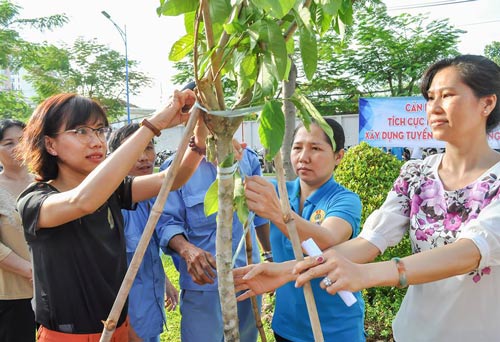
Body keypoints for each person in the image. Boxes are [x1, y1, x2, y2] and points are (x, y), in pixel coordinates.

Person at [234, 55, 500, 341]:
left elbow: (471, 251)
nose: (433, 108)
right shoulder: (416, 174)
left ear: (487, 103)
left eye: (447, 96)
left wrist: (370, 274)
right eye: (430, 97)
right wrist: (287, 271)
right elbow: (369, 241)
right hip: (413, 332)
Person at [16, 90, 205, 341]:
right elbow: (82, 201)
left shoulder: (112, 190)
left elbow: (173, 178)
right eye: (80, 131)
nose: (96, 141)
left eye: (99, 130)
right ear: (50, 144)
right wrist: (153, 125)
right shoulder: (35, 200)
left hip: (117, 326)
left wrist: (201, 124)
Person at [241, 118, 365, 341]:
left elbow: (326, 240)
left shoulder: (345, 200)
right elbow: (235, 184)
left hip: (334, 331)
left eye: (315, 148)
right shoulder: (281, 191)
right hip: (286, 327)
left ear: (339, 156)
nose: (303, 157)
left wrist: (278, 213)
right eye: (297, 147)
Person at [160, 137, 271, 342]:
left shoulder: (247, 159)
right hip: (204, 284)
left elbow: (261, 214)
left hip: (246, 278)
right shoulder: (177, 167)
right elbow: (166, 222)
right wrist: (186, 250)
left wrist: (269, 255)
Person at [108, 123, 183, 342]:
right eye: (134, 149)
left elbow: (144, 252)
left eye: (148, 147)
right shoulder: (112, 206)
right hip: (125, 324)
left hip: (150, 312)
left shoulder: (153, 199)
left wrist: (166, 282)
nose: (143, 157)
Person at [0, 119, 35, 342]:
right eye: (8, 143)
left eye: (22, 140)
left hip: (55, 289)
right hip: (11, 295)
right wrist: (32, 272)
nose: (17, 147)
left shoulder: (46, 183)